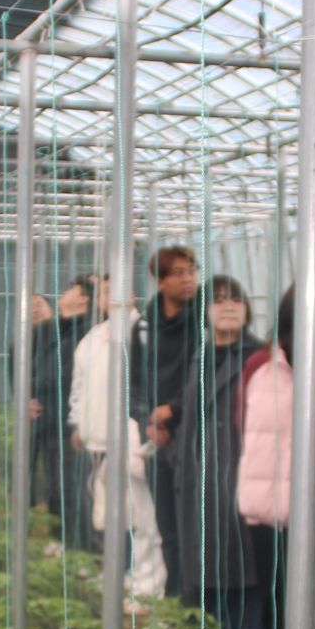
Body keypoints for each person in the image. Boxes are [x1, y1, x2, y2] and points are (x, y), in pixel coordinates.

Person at [170, 277, 267, 629]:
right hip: (201, 479)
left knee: (243, 576)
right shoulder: (202, 356)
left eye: (235, 300)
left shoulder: (259, 357)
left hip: (240, 478)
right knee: (209, 573)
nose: (227, 307)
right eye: (218, 300)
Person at [69, 276, 167, 597]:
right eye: (105, 292)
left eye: (116, 291)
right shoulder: (93, 338)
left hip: (132, 439)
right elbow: (79, 387)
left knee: (142, 514)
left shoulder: (143, 331)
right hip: (98, 440)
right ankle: (118, 572)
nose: (110, 297)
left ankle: (147, 581)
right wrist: (77, 424)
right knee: (111, 513)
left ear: (133, 295)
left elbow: (144, 385)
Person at [233, 285, 299, 629]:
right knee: (274, 595)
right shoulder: (264, 365)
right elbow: (243, 425)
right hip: (264, 502)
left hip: (306, 504)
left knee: (297, 600)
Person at [134, 246, 202, 596]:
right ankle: (175, 597)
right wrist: (148, 419)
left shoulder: (202, 322)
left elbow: (204, 378)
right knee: (167, 525)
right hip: (156, 437)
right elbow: (132, 381)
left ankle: (196, 603)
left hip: (193, 434)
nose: (188, 279)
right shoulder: (145, 327)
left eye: (192, 271)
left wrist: (172, 412)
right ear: (160, 281)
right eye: (178, 273)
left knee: (193, 522)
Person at [52, 277, 101, 550]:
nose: (63, 293)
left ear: (83, 299)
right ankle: (71, 543)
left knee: (83, 488)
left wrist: (78, 421)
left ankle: (88, 549)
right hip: (59, 420)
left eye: (70, 289)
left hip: (76, 423)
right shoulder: (64, 330)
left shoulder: (86, 334)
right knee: (66, 485)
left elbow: (71, 379)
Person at [23, 292, 60, 511]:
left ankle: (54, 516)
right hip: (32, 418)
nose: (35, 311)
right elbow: (16, 382)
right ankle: (26, 510)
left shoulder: (61, 340)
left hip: (56, 420)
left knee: (55, 473)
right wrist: (25, 402)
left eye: (40, 305)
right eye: (31, 307)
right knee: (25, 465)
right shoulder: (20, 344)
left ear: (52, 310)